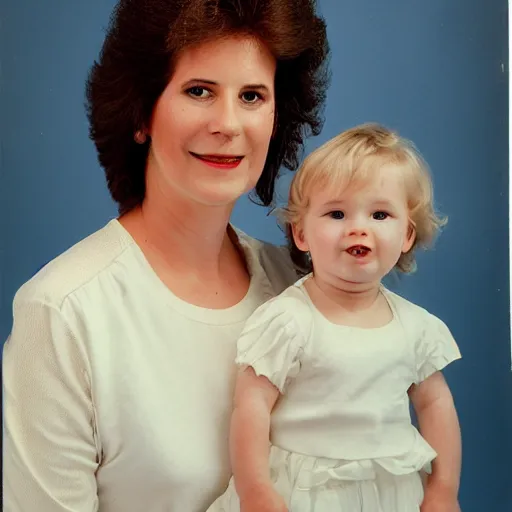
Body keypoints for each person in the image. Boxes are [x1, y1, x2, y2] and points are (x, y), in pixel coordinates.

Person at [2, 1, 330, 511]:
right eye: (199, 91)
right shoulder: (64, 312)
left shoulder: (302, 286)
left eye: (251, 96)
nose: (228, 123)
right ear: (141, 113)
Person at [207, 124, 462, 512]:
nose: (358, 227)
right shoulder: (289, 320)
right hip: (306, 492)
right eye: (337, 213)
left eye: (380, 214)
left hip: (390, 491)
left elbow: (435, 405)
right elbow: (251, 406)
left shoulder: (417, 327)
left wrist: (444, 489)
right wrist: (255, 488)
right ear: (302, 234)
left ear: (407, 235)